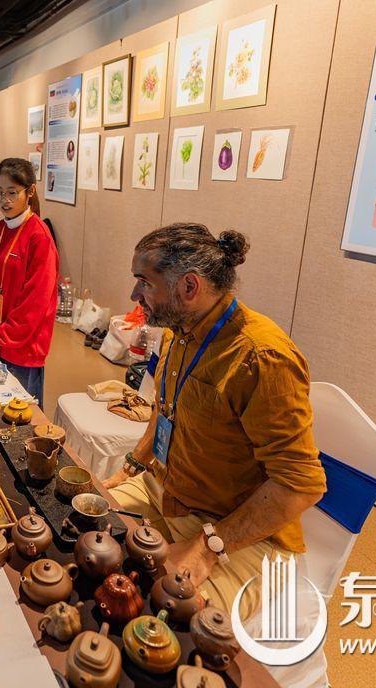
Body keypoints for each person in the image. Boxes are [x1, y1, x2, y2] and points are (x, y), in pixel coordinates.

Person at [102, 223, 327, 625]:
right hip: (164, 491)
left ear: (189, 286)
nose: (135, 295)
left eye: (144, 282)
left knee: (168, 620)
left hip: (239, 533)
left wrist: (208, 547)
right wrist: (131, 468)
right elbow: (164, 409)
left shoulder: (262, 357)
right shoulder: (179, 331)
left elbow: (300, 484)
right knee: (85, 523)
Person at [0, 158, 58, 405]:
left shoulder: (39, 237)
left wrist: (3, 335)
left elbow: (36, 300)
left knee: (20, 414)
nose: (4, 200)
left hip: (24, 346)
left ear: (30, 191)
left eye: (12, 193)